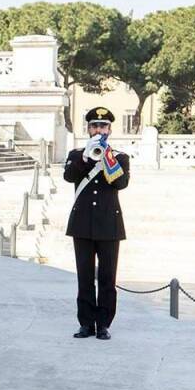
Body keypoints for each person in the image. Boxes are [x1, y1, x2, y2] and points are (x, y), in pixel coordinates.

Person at [63, 106, 130, 341]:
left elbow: (120, 183)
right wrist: (85, 156)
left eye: (103, 126)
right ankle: (85, 324)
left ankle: (103, 324)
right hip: (82, 225)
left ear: (109, 130)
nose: (98, 129)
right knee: (84, 277)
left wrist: (106, 156)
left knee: (107, 279)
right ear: (88, 128)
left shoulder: (120, 157)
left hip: (109, 226)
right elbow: (69, 176)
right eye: (94, 125)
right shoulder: (75, 155)